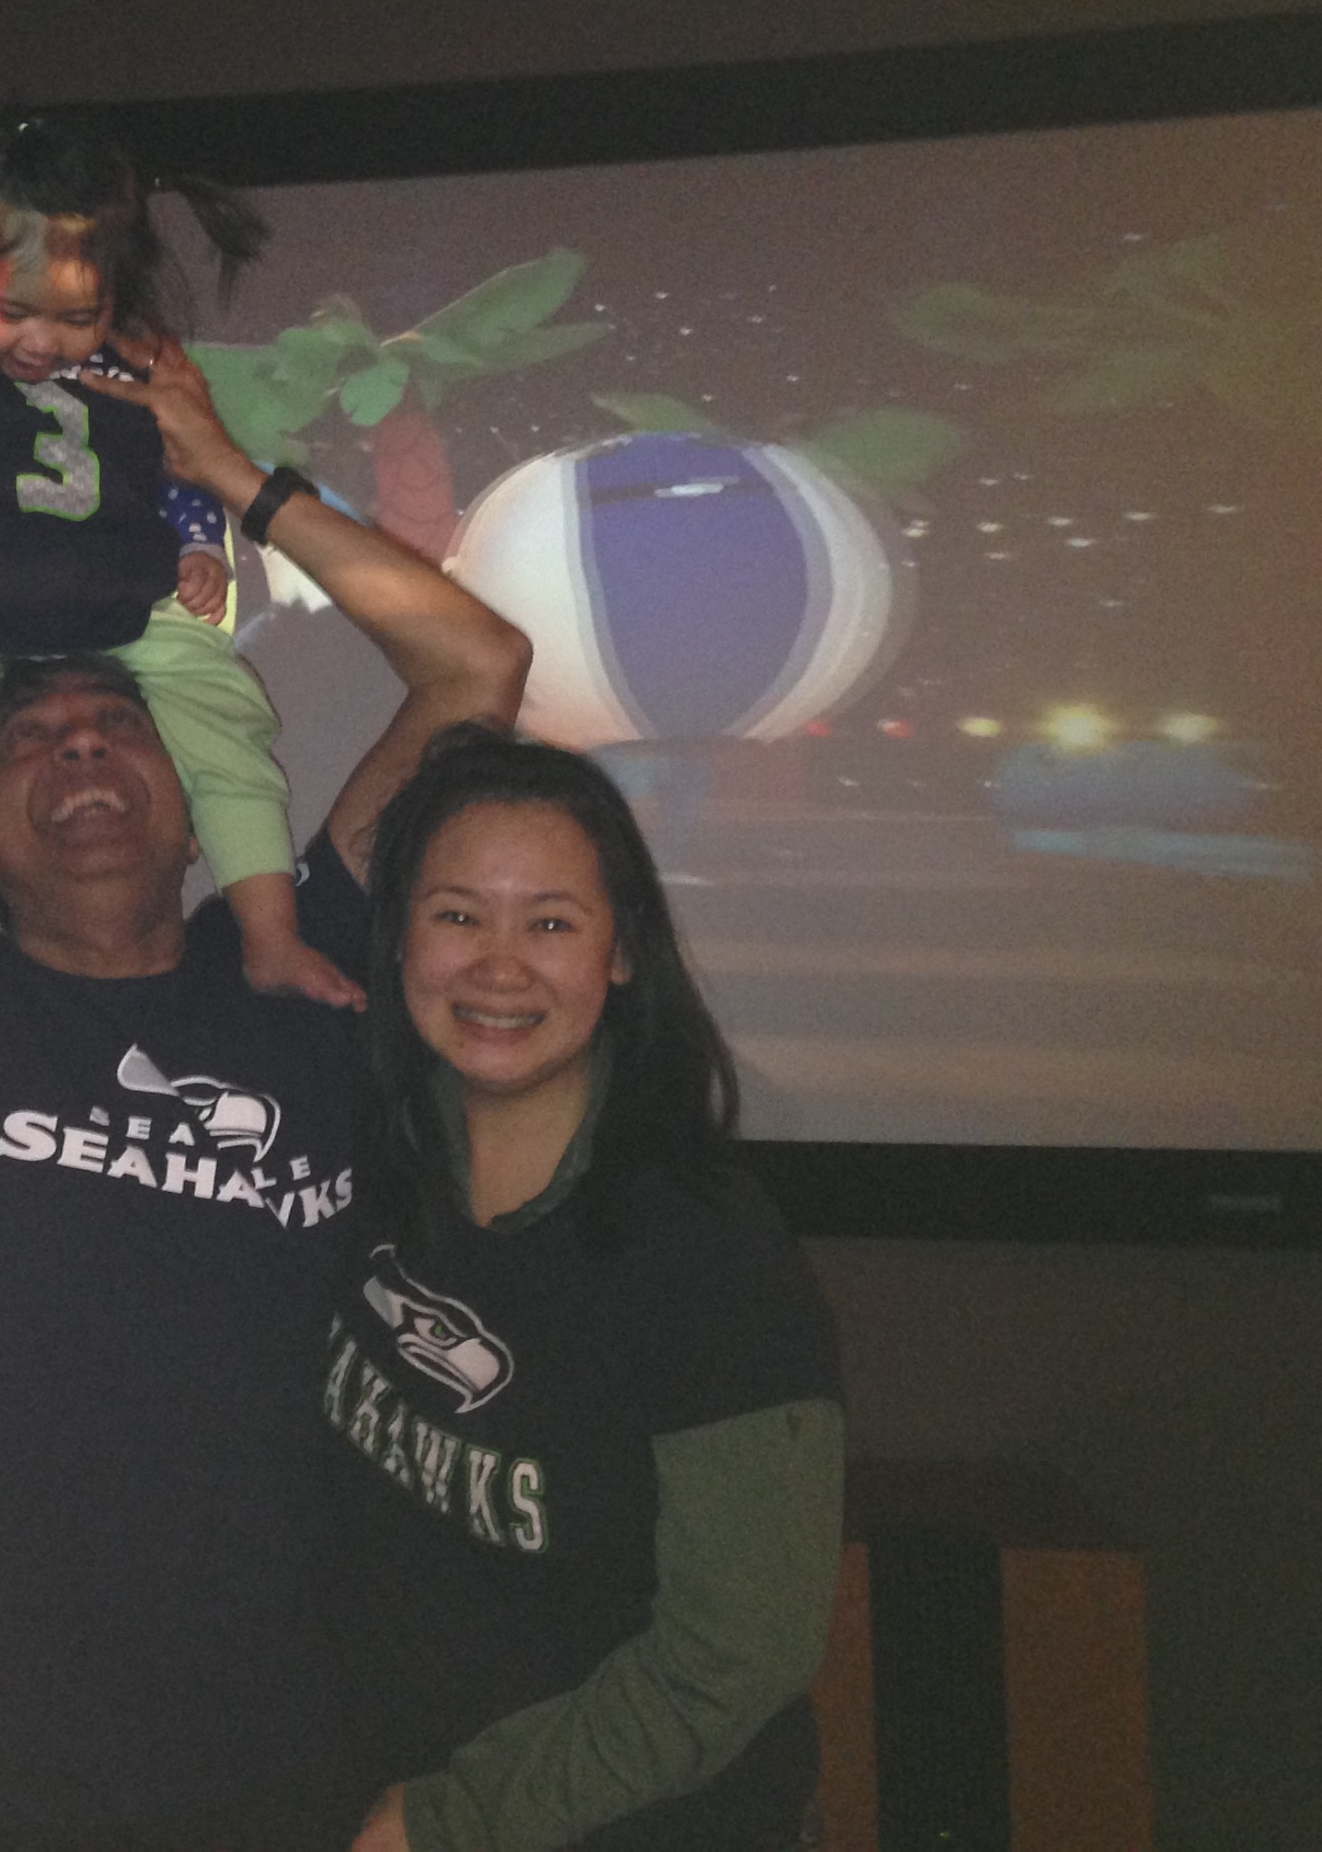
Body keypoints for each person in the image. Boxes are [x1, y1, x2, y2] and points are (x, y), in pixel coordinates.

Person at [0, 304, 529, 1852]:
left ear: (199, 802)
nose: (78, 749)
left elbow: (475, 662)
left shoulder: (303, 970)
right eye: (32, 739)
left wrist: (230, 471)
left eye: (119, 722)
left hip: (284, 1756)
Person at [325, 725, 845, 1852]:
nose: (499, 967)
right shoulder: (370, 1166)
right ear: (399, 937)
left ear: (621, 953)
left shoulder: (708, 1253)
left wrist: (449, 1819)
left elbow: (735, 1656)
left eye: (551, 923)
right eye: (457, 915)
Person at [0, 118, 359, 1053]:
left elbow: (179, 464)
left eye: (74, 317)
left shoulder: (139, 357)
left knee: (225, 729)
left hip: (131, 604)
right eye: (12, 310)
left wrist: (201, 544)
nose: (41, 340)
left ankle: (268, 936)